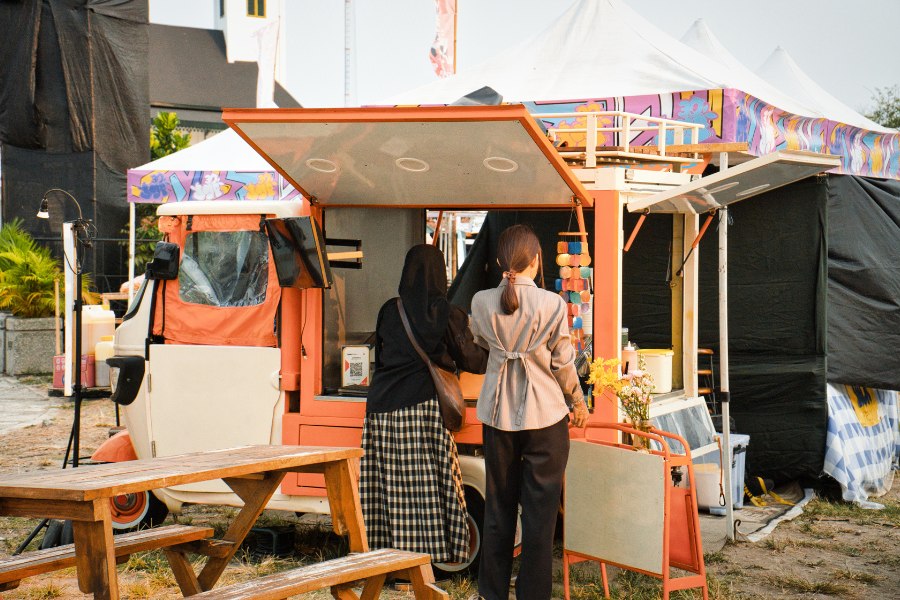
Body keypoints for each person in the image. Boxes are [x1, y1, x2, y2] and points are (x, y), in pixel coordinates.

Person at [469, 224, 589, 600]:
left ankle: (492, 593)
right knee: (539, 518)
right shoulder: (552, 304)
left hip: (496, 416)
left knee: (498, 510)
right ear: (536, 261)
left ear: (501, 261)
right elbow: (563, 364)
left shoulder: (480, 301)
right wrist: (578, 402)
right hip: (546, 418)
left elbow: (479, 346)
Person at [360, 244, 488, 565]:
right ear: (440, 274)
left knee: (386, 489)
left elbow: (383, 355)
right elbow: (471, 359)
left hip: (382, 409)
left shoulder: (390, 310)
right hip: (422, 407)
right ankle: (422, 561)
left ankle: (385, 560)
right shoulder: (447, 313)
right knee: (426, 489)